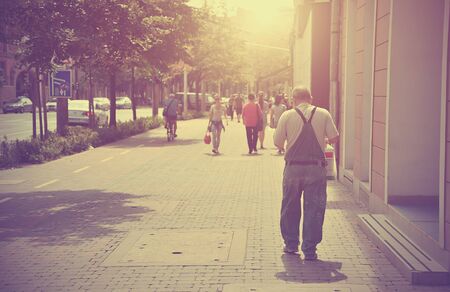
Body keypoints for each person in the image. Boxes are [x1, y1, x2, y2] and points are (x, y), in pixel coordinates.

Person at [273, 86, 339, 260]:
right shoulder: (323, 113)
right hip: (316, 169)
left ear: (293, 100)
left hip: (293, 168)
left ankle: (291, 244)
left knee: (290, 207)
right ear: (311, 98)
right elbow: (334, 137)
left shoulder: (287, 115)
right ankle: (310, 249)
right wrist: (322, 139)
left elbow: (278, 143)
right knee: (314, 208)